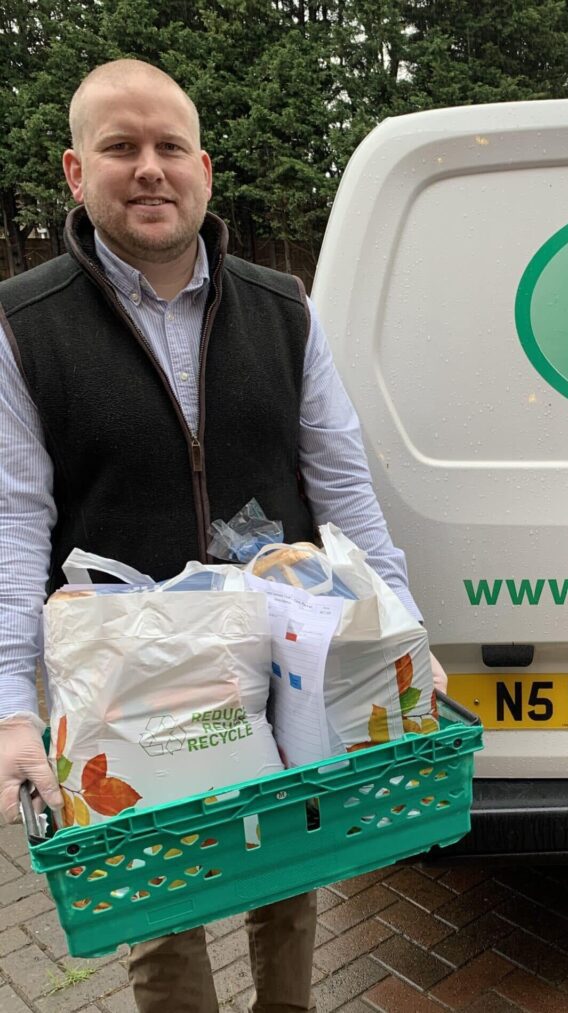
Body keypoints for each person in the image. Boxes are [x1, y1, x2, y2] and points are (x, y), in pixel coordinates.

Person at [0, 58, 444, 1012]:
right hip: (124, 674)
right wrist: (9, 708)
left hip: (280, 651)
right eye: (121, 147)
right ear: (78, 172)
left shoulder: (284, 307)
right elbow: (12, 518)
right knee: (159, 897)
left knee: (291, 867)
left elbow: (343, 488)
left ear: (203, 166)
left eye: (169, 147)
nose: (149, 168)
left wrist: (404, 632)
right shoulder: (23, 325)